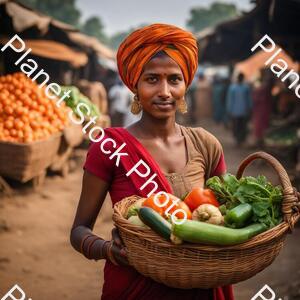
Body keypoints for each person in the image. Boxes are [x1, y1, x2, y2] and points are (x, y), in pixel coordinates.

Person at [70, 23, 234, 300]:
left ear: (185, 85)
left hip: (200, 287)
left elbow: (229, 216)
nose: (165, 91)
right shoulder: (110, 147)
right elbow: (78, 231)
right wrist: (108, 250)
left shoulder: (206, 144)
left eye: (174, 79)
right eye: (152, 79)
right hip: (135, 287)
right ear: (135, 85)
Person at [226, 73, 252, 146]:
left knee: (242, 126)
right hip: (237, 111)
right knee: (237, 126)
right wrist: (229, 109)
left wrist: (250, 108)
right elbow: (230, 99)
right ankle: (238, 140)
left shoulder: (245, 88)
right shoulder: (233, 88)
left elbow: (249, 99)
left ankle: (241, 139)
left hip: (241, 111)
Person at [252, 71, 273, 146]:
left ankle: (260, 141)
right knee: (260, 126)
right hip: (261, 110)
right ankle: (259, 141)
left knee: (261, 126)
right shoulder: (262, 89)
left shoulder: (262, 89)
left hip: (263, 110)